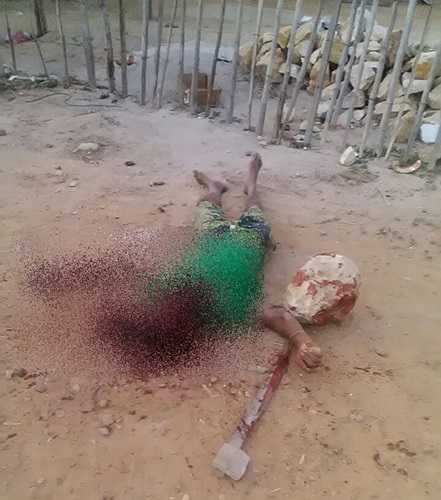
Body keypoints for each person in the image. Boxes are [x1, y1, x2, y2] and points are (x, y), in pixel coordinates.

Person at [192, 152, 322, 371]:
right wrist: (303, 341)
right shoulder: (232, 305)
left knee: (207, 205)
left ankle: (218, 187)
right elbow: (275, 315)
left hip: (212, 236)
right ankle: (247, 185)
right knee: (254, 207)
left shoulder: (188, 292)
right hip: (252, 241)